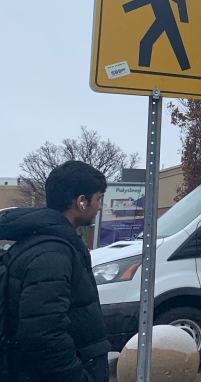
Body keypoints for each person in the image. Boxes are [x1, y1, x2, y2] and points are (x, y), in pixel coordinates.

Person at [0, 161, 111, 382]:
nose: (100, 207)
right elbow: (43, 335)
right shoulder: (52, 254)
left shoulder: (46, 243)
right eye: (98, 199)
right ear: (81, 201)